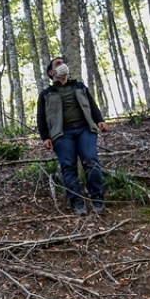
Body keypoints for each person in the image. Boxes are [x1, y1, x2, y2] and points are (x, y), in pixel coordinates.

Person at [36, 56, 109, 214]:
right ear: (51, 72)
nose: (63, 66)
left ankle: (97, 200)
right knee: (68, 166)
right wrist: (45, 137)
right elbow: (41, 117)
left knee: (91, 160)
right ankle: (77, 203)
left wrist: (99, 120)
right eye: (58, 64)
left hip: (85, 129)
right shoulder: (46, 94)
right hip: (62, 134)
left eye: (63, 63)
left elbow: (92, 105)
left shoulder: (79, 86)